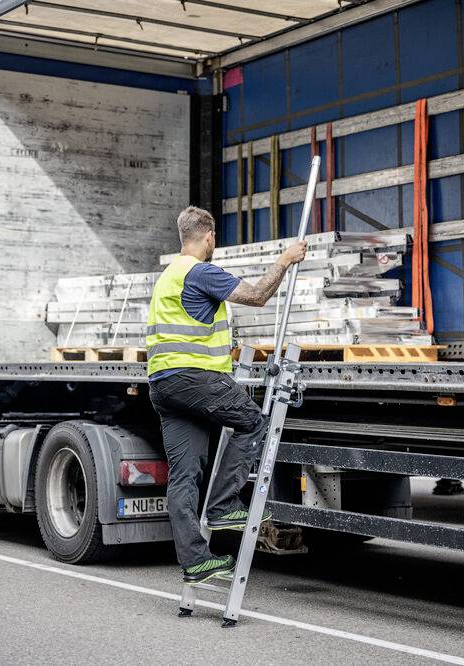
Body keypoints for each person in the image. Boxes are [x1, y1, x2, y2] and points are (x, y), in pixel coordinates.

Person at [147, 206, 306, 584]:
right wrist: (285, 260)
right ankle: (223, 506)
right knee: (253, 422)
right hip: (194, 378)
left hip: (164, 385)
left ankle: (196, 561)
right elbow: (257, 296)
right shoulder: (200, 272)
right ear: (209, 237)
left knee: (184, 476)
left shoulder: (168, 276)